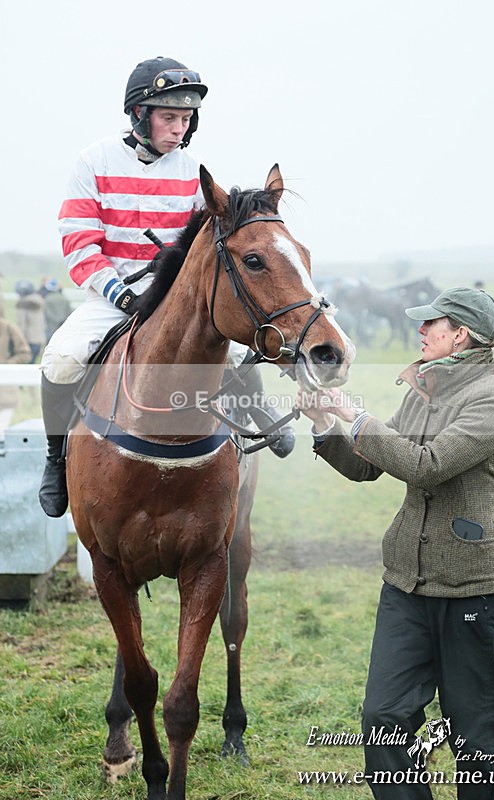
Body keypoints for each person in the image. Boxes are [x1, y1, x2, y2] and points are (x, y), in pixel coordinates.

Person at [296, 287, 494, 800]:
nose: (420, 331)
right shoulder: (421, 389)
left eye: (431, 324)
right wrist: (324, 424)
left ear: (460, 335)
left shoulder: (492, 401)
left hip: (473, 592)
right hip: (405, 585)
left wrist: (354, 414)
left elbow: (424, 466)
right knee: (384, 717)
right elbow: (368, 465)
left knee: (475, 734)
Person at [39, 56, 294, 519]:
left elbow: (207, 244)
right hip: (111, 297)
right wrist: (121, 294)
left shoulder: (194, 170)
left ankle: (260, 418)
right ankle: (56, 461)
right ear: (139, 114)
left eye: (185, 119)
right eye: (169, 117)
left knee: (236, 350)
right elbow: (79, 242)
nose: (179, 128)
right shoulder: (92, 161)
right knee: (60, 358)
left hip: (174, 298)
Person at [0, 313, 31, 440]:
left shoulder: (7, 327)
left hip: (5, 393)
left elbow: (25, 353)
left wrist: (7, 365)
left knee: (2, 434)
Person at [15, 279, 46, 363]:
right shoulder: (39, 301)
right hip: (39, 338)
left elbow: (22, 325)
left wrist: (19, 341)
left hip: (28, 339)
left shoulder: (22, 305)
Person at [40, 277, 73, 342]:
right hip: (63, 326)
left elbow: (47, 313)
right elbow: (69, 312)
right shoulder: (65, 299)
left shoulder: (47, 299)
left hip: (51, 327)